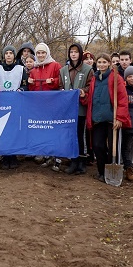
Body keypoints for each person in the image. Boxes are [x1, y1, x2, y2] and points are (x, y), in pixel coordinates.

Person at [82, 53, 131, 183]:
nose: (102, 64)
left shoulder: (116, 78)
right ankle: (101, 172)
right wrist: (83, 96)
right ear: (96, 64)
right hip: (98, 118)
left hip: (112, 119)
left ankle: (111, 171)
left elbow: (122, 99)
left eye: (104, 62)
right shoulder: (94, 79)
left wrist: (120, 118)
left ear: (109, 63)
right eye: (99, 62)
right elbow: (92, 99)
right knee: (98, 146)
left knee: (113, 147)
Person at [59, 43, 93, 175]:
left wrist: (83, 91)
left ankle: (82, 162)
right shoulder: (63, 70)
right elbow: (60, 86)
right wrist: (62, 91)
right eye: (71, 52)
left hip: (81, 108)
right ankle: (73, 160)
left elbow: (90, 86)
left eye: (76, 52)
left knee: (81, 135)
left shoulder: (87, 70)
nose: (73, 54)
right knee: (70, 135)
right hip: (67, 110)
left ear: (80, 54)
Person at [28, 43, 63, 170]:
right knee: (42, 129)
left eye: (43, 52)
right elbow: (32, 90)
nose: (41, 55)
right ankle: (46, 155)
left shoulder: (55, 65)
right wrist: (30, 83)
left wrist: (53, 81)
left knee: (53, 129)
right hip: (39, 105)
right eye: (38, 53)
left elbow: (61, 81)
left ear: (47, 53)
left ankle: (56, 157)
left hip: (52, 104)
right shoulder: (34, 70)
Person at [0, 45, 29, 169]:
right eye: (6, 53)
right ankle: (4, 156)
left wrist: (21, 89)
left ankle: (13, 156)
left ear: (14, 56)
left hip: (16, 104)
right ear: (4, 55)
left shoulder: (20, 69)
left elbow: (26, 85)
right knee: (3, 131)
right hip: (1, 105)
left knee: (14, 130)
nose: (8, 55)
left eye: (11, 53)